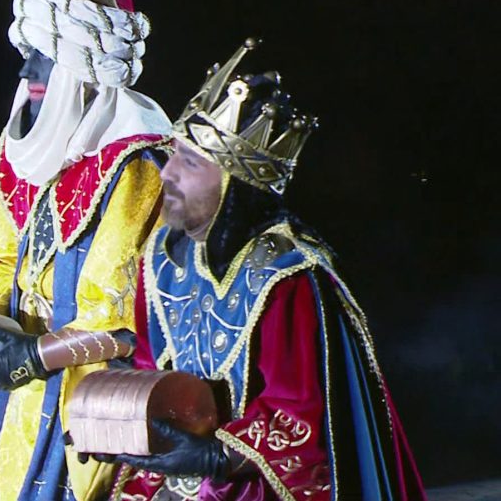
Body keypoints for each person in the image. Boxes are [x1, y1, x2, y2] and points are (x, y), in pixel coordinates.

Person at [96, 39, 425, 500]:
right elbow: (150, 368)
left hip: (254, 486)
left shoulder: (286, 275)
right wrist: (118, 419)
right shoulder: (162, 258)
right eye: (173, 155)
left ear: (235, 184)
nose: (166, 174)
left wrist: (214, 458)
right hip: (174, 481)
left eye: (189, 162)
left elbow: (300, 416)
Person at [0, 0, 172, 500]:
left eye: (45, 54)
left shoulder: (135, 163)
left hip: (97, 407)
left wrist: (34, 354)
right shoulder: (27, 149)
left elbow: (121, 321)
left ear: (84, 64)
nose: (27, 69)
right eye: (28, 51)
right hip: (24, 387)